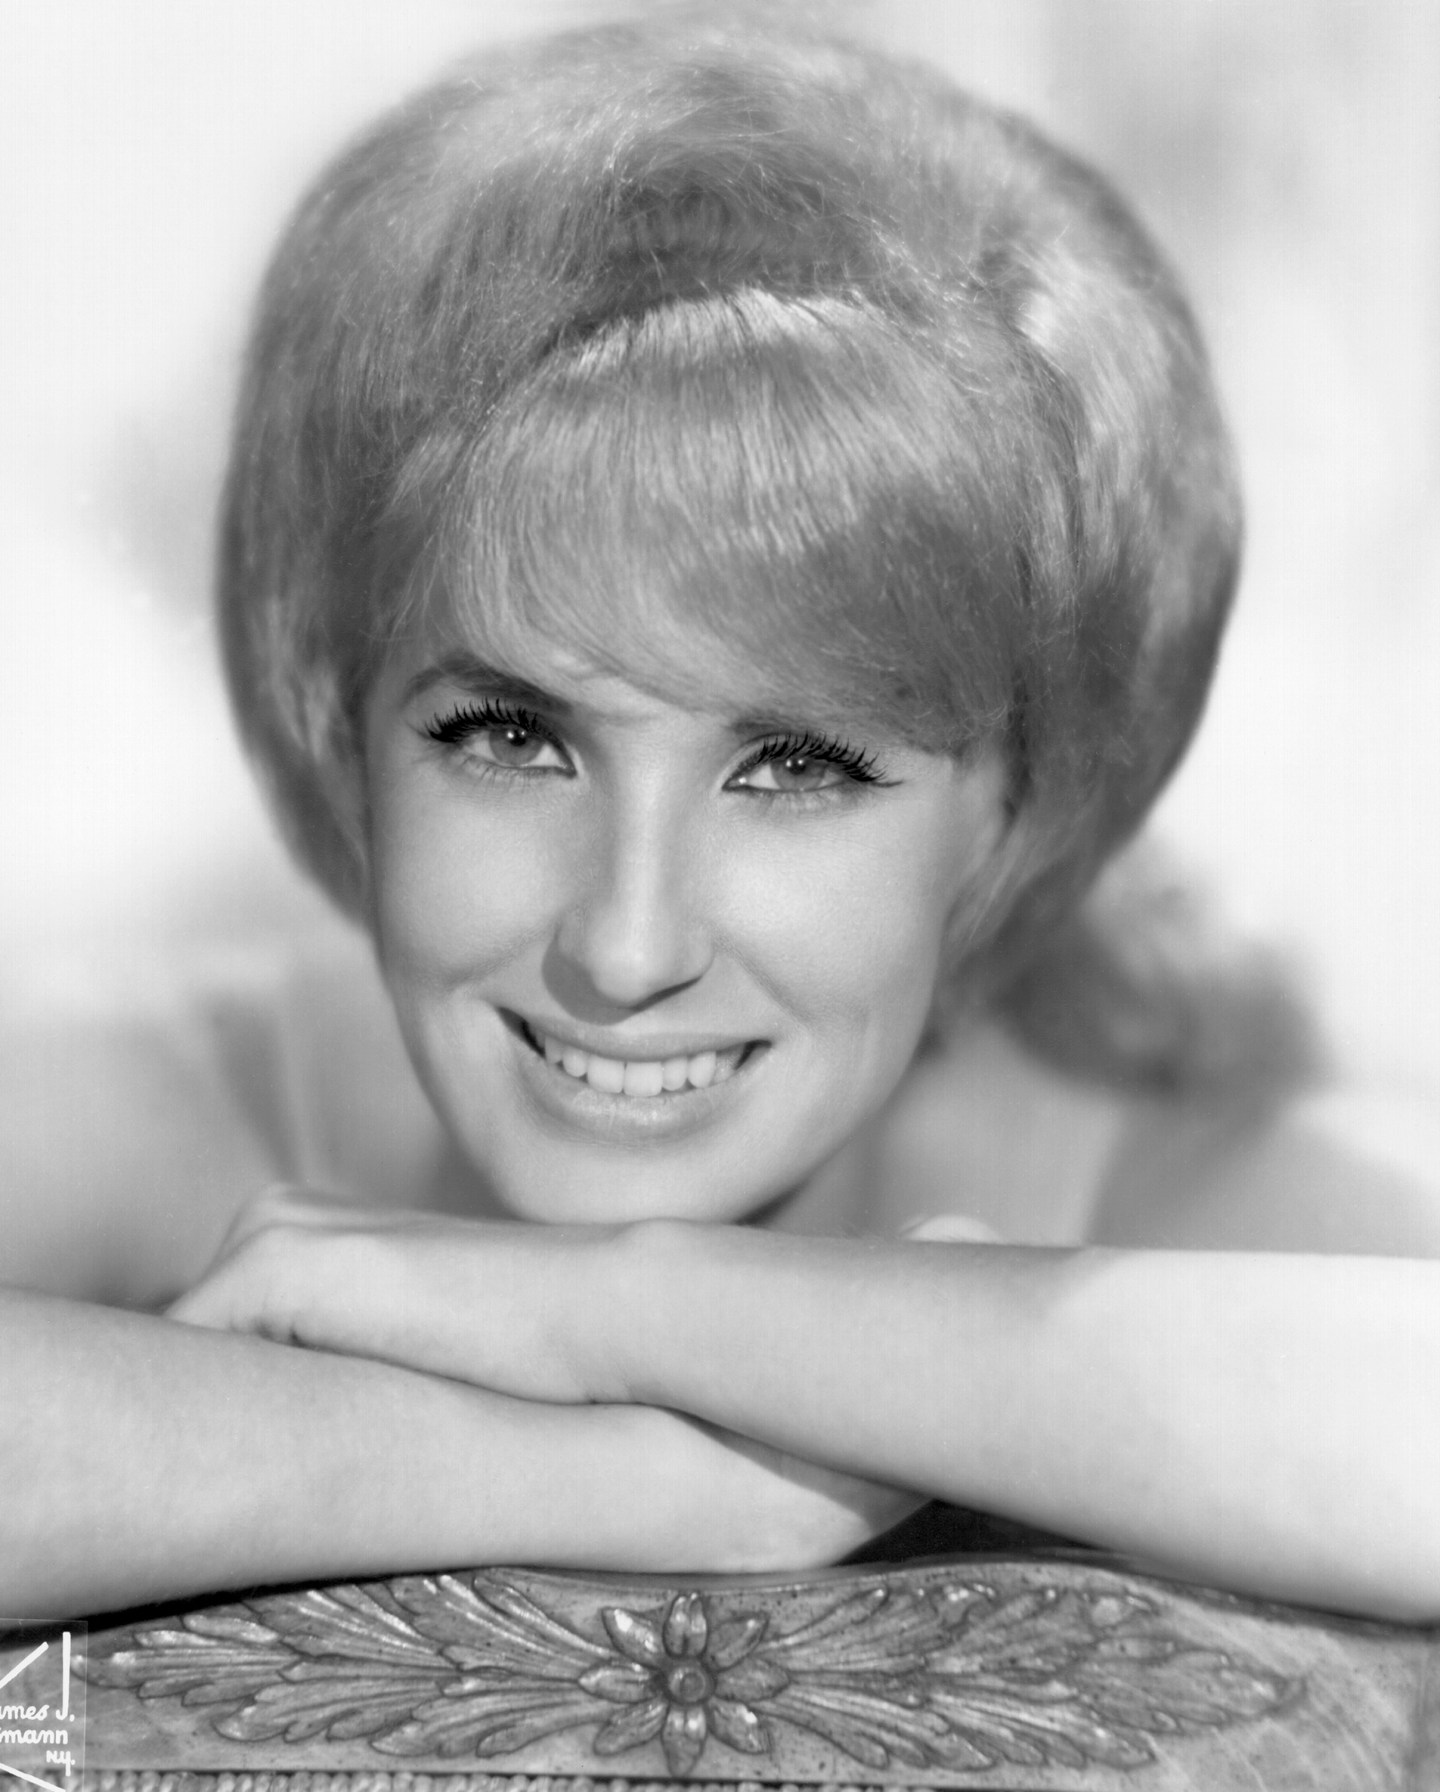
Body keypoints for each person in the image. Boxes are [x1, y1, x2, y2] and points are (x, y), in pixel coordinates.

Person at [3, 8, 1438, 1625]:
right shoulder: (203, 1092)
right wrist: (578, 1473)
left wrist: (629, 1310)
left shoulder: (1161, 1178)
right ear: (346, 725)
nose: (626, 947)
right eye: (509, 737)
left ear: (1015, 811)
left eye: (797, 767)